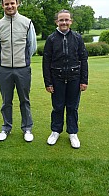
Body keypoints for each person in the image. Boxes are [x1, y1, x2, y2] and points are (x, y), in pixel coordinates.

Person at [0, 0, 37, 142]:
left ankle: (27, 128)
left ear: (17, 3)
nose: (10, 6)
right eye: (7, 4)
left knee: (24, 100)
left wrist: (22, 60)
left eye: (12, 3)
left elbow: (32, 46)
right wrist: (7, 60)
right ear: (2, 5)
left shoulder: (27, 22)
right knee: (6, 101)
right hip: (4, 69)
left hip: (23, 68)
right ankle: (6, 127)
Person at [42, 9, 88, 149]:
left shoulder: (77, 38)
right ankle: (55, 131)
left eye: (66, 20)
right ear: (56, 21)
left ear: (71, 21)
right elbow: (46, 62)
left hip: (75, 77)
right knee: (58, 107)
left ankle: (73, 133)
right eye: (61, 20)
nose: (64, 22)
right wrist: (48, 82)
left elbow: (83, 59)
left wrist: (84, 80)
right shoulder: (51, 39)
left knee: (72, 107)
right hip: (57, 78)